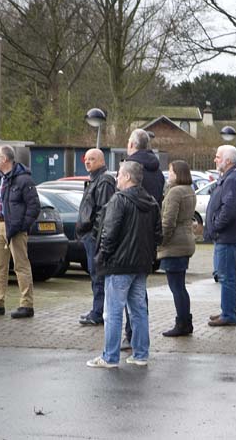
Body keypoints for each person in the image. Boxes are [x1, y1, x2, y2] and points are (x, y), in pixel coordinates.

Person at [87, 161, 162, 368]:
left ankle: (109, 357)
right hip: (141, 265)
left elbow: (109, 232)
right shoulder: (152, 202)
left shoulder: (119, 200)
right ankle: (141, 354)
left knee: (113, 312)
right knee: (138, 310)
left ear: (128, 177)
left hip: (119, 265)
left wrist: (102, 256)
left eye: (120, 174)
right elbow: (158, 235)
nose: (117, 178)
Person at [0, 145, 41, 319]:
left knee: (21, 265)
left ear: (5, 159)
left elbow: (34, 206)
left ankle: (26, 305)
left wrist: (22, 225)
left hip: (15, 227)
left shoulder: (23, 180)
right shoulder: (0, 177)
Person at [122, 128, 165, 348]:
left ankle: (132, 336)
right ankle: (139, 338)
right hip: (148, 235)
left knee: (128, 292)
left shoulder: (131, 168)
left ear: (132, 145)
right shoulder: (157, 171)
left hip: (129, 236)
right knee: (139, 289)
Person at [204, 145, 236, 327]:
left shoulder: (232, 180)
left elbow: (229, 209)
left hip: (226, 236)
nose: (215, 160)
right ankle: (226, 310)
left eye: (218, 156)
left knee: (227, 276)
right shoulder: (229, 178)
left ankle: (229, 314)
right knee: (224, 275)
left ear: (227, 160)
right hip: (224, 235)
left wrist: (215, 226)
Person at [76, 148, 117, 326]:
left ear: (101, 161)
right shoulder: (94, 180)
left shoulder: (104, 180)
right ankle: (96, 309)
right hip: (88, 235)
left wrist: (94, 235)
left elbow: (103, 210)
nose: (88, 162)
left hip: (94, 237)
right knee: (95, 275)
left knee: (98, 275)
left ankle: (98, 312)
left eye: (92, 159)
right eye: (86, 159)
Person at [157, 160, 197, 337]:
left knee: (176, 287)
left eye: (171, 171)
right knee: (180, 286)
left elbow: (168, 222)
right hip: (186, 241)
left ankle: (182, 324)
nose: (169, 174)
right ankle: (185, 322)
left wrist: (161, 242)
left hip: (174, 244)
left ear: (178, 173)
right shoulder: (189, 190)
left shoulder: (175, 192)